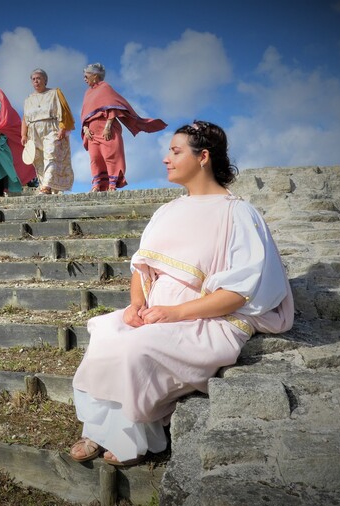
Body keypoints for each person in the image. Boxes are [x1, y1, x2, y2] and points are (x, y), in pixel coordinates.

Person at [70, 121, 294, 466]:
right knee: (107, 334)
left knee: (136, 348)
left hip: (207, 318)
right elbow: (142, 268)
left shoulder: (238, 214)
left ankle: (132, 438)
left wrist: (173, 314)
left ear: (203, 157)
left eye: (175, 151)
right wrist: (136, 304)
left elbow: (237, 293)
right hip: (155, 310)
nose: (165, 159)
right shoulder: (168, 211)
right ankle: (98, 429)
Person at [80, 63, 167, 192]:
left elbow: (112, 107)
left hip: (106, 129)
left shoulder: (105, 88)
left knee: (110, 156)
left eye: (86, 76)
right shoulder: (87, 93)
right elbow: (85, 114)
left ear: (95, 76)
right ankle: (96, 185)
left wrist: (108, 126)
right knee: (95, 158)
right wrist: (85, 128)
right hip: (91, 132)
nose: (84, 79)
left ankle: (112, 185)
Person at [21, 68, 74, 195]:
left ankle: (46, 186)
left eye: (38, 78)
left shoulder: (55, 93)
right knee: (38, 160)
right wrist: (23, 134)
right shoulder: (28, 99)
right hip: (33, 132)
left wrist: (63, 127)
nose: (36, 81)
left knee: (51, 155)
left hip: (51, 128)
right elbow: (25, 118)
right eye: (33, 79)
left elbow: (64, 111)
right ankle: (46, 187)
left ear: (45, 80)